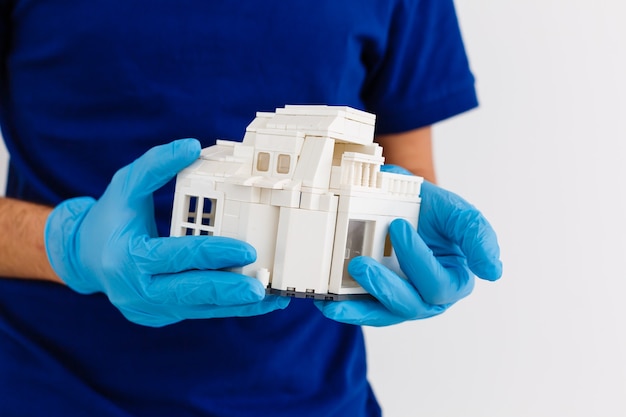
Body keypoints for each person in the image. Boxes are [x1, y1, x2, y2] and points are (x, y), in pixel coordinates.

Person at [0, 1, 502, 416]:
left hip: (312, 398)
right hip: (51, 389)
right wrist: (69, 245)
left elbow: (408, 167)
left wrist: (403, 224)